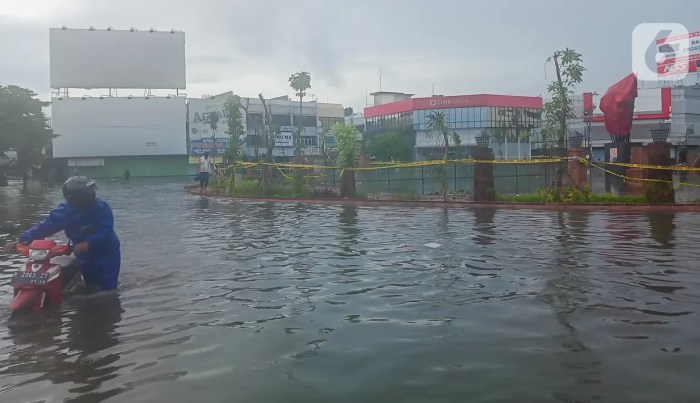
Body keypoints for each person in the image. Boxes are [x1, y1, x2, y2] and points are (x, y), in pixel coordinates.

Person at [3, 176, 121, 291]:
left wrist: (89, 242)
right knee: (91, 286)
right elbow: (43, 227)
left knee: (109, 290)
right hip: (81, 252)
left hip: (106, 251)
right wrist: (21, 240)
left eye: (92, 193)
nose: (93, 196)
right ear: (76, 198)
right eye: (89, 195)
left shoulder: (102, 207)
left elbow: (106, 230)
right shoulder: (63, 212)